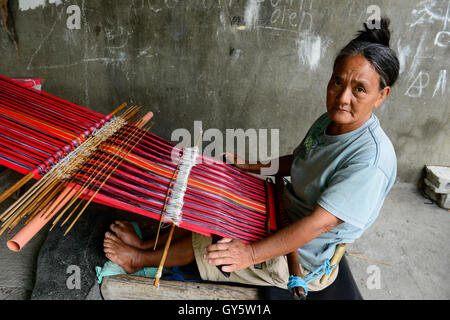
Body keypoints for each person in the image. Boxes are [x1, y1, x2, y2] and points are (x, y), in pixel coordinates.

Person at [103, 18, 399, 294]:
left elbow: (317, 225)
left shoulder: (370, 162)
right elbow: (300, 158)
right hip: (283, 208)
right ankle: (146, 244)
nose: (343, 97)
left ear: (381, 95)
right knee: (213, 190)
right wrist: (251, 168)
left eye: (359, 89)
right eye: (338, 82)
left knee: (216, 233)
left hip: (303, 254)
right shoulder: (331, 120)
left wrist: (250, 253)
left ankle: (138, 260)